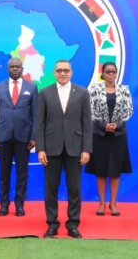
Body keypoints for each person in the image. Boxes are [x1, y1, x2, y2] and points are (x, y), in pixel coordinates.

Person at [36, 60, 92, 239]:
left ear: (71, 72)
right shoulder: (45, 93)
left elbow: (87, 124)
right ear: (54, 72)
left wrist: (86, 149)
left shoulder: (82, 93)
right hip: (51, 149)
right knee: (50, 189)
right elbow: (39, 123)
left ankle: (73, 224)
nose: (62, 73)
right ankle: (52, 224)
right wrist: (41, 148)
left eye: (66, 70)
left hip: (75, 149)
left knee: (74, 189)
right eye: (59, 70)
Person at [0, 57, 38, 217]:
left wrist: (33, 137)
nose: (15, 69)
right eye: (12, 67)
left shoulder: (31, 87)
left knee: (22, 174)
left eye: (18, 66)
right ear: (7, 69)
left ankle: (20, 205)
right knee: (4, 174)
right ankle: (4, 205)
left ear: (22, 69)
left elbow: (35, 115)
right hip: (3, 137)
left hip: (23, 137)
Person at [86, 62, 133, 216]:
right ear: (103, 73)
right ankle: (101, 203)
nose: (111, 74)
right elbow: (90, 110)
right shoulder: (94, 89)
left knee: (115, 171)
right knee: (100, 170)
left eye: (113, 71)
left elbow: (129, 110)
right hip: (99, 135)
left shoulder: (124, 89)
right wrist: (103, 125)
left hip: (118, 135)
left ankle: (113, 203)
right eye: (108, 72)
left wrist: (116, 125)